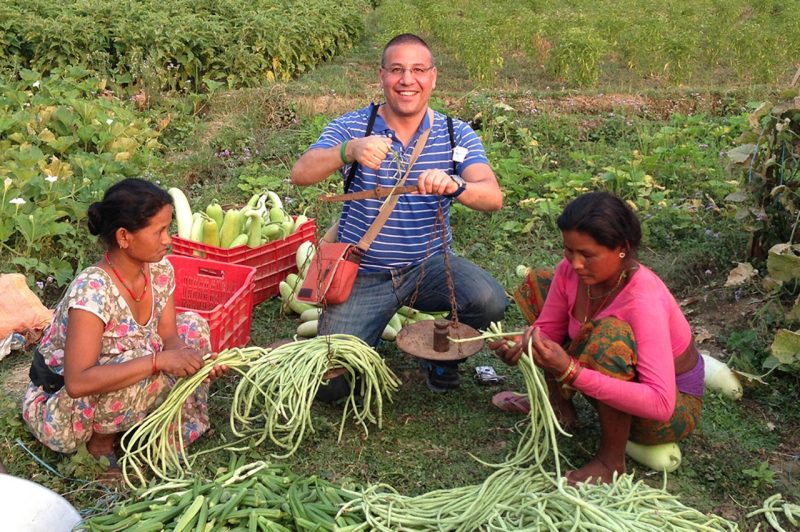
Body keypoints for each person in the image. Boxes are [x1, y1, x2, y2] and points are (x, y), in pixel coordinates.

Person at [290, 33, 507, 395]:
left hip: (430, 266)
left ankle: (441, 359)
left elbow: (492, 196)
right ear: (382, 76)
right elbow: (302, 173)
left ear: (433, 77)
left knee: (488, 300)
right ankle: (363, 343)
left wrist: (457, 185)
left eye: (418, 70)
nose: (408, 80)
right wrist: (348, 150)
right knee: (333, 388)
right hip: (363, 273)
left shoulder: (455, 133)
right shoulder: (354, 127)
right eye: (397, 70)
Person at [490, 191, 703, 484]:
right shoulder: (572, 272)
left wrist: (571, 372)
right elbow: (547, 330)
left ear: (622, 250)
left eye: (587, 255)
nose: (575, 263)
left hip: (666, 414)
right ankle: (557, 404)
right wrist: (520, 346)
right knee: (540, 281)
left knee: (610, 335)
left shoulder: (642, 300)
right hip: (618, 382)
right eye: (569, 251)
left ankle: (610, 461)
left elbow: (660, 403)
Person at [21, 178, 226, 475]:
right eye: (159, 232)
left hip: (124, 368)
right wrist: (158, 361)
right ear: (124, 237)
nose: (168, 239)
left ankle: (146, 424)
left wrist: (194, 360)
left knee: (192, 327)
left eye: (167, 229)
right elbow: (78, 382)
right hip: (65, 403)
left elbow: (169, 334)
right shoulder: (92, 290)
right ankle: (100, 445)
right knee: (140, 359)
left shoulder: (159, 270)